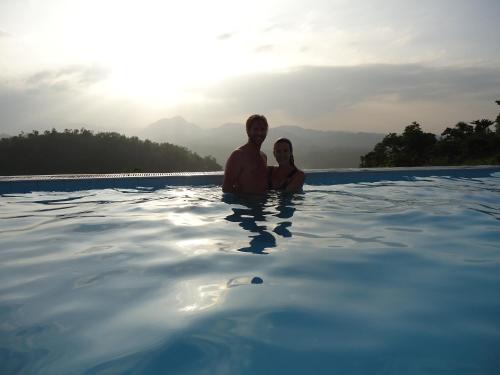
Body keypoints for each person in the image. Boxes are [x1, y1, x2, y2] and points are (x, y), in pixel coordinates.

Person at [222, 114, 269, 194]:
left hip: (262, 205)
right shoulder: (238, 155)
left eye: (262, 129)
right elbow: (226, 188)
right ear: (248, 131)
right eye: (256, 129)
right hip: (244, 205)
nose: (259, 133)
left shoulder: (263, 157)